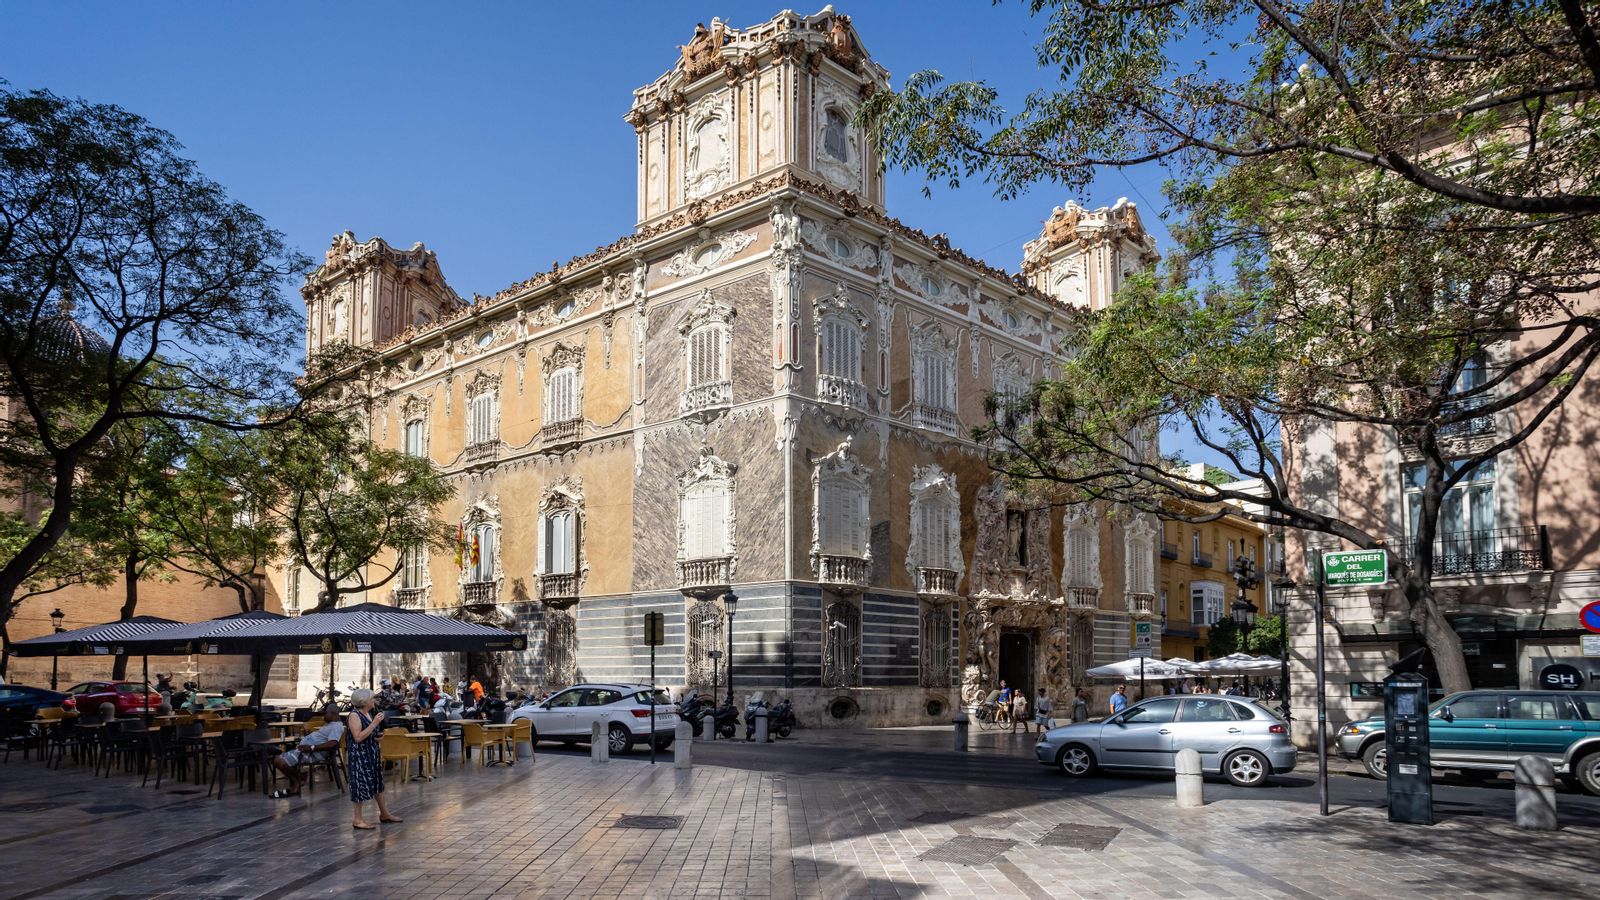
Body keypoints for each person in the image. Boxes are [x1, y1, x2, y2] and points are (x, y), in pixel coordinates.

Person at [345, 688, 401, 829]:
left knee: (377, 784)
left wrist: (377, 737)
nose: (374, 701)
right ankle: (357, 819)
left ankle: (384, 813)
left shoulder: (367, 713)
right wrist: (374, 723)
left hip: (372, 753)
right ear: (364, 702)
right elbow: (358, 737)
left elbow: (368, 733)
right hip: (360, 756)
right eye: (372, 699)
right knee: (360, 784)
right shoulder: (354, 715)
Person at [271, 702, 344, 798]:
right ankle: (300, 778)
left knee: (281, 763)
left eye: (325, 713)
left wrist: (311, 747)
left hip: (311, 753)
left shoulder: (336, 726)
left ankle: (298, 780)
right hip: (305, 751)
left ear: (333, 713)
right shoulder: (330, 724)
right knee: (276, 759)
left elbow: (332, 743)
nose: (323, 716)